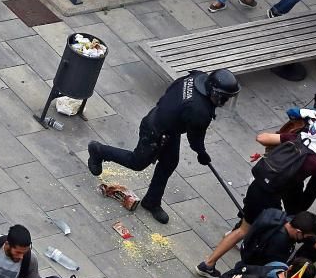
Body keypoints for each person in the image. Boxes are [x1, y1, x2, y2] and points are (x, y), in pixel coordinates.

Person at [87, 69, 239, 224]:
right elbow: (195, 139)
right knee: (137, 162)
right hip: (155, 130)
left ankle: (152, 201)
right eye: (223, 98)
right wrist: (202, 153)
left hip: (167, 124)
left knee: (169, 162)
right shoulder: (199, 111)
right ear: (212, 90)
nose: (224, 102)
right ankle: (99, 151)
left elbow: (171, 90)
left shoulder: (196, 77)